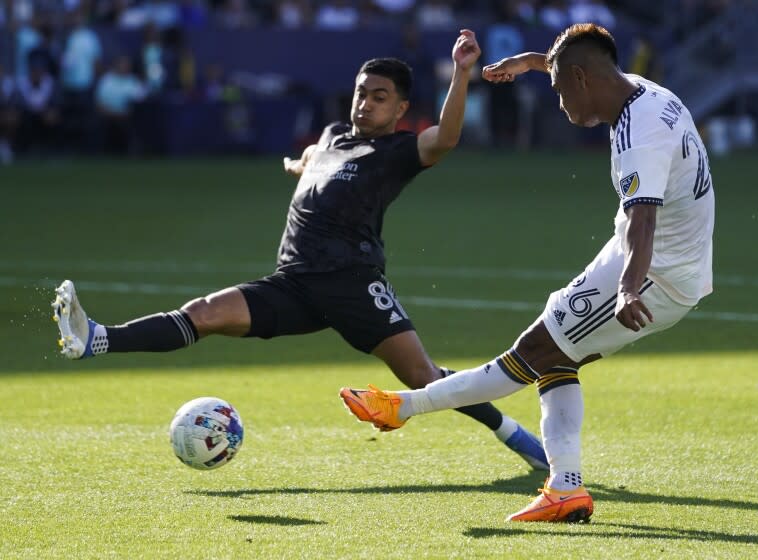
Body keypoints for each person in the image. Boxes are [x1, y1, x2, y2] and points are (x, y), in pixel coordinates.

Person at [52, 30, 548, 472]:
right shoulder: (332, 136)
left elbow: (447, 137)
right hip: (293, 283)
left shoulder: (397, 152)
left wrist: (461, 74)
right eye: (361, 93)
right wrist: (300, 164)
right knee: (202, 313)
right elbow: (315, 159)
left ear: (399, 110)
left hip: (353, 284)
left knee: (422, 377)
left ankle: (517, 437)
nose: (365, 104)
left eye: (380, 98)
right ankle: (96, 339)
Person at [340, 23, 715, 523]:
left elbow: (642, 216)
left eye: (560, 89)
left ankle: (403, 407)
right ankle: (566, 488)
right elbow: (577, 65)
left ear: (582, 78)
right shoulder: (646, 92)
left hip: (651, 275)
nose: (559, 101)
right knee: (557, 356)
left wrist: (627, 287)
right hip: (674, 263)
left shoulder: (638, 134)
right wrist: (534, 63)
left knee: (529, 354)